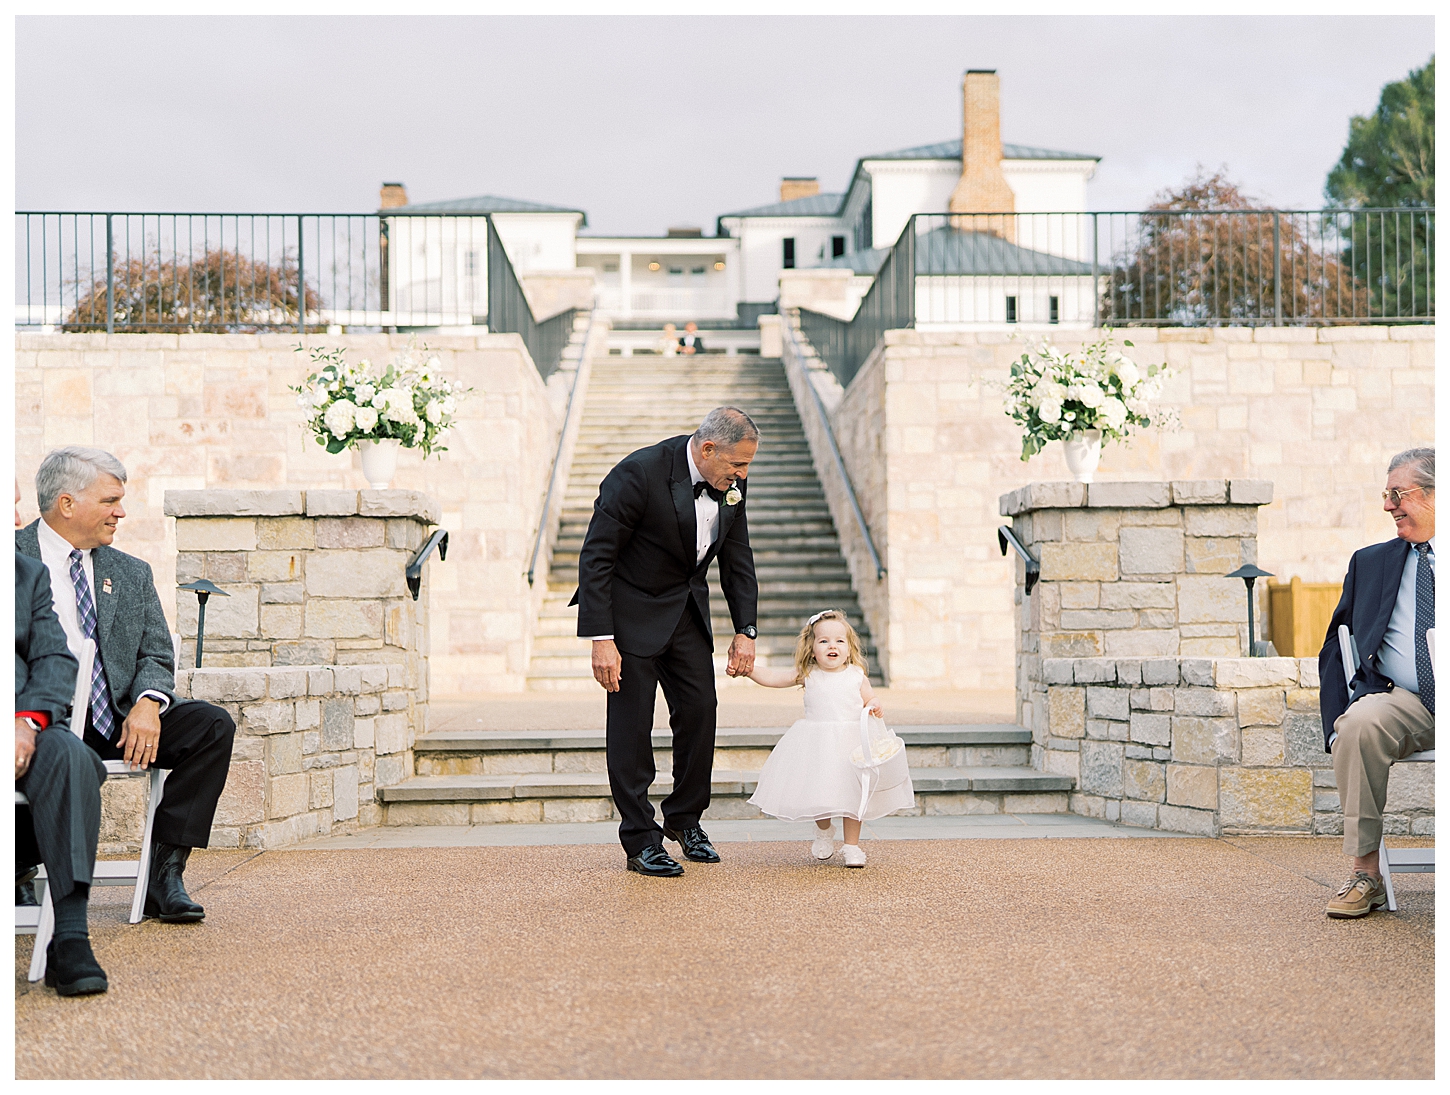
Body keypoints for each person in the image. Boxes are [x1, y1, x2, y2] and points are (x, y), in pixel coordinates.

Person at [17, 446, 235, 923]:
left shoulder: (131, 573)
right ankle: (16, 870)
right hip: (41, 720)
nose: (121, 512)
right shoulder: (13, 562)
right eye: (110, 500)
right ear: (67, 503)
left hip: (116, 718)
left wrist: (148, 702)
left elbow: (157, 653)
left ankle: (164, 875)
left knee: (212, 726)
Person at [572, 407, 760, 876]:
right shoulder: (638, 473)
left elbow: (737, 557)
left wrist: (745, 629)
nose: (742, 475)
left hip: (686, 615)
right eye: (737, 465)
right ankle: (640, 839)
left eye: (747, 467)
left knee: (700, 713)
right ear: (707, 448)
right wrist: (601, 637)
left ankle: (684, 819)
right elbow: (596, 556)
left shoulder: (729, 483)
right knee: (632, 728)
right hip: (629, 617)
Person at [1319, 447, 1435, 919]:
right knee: (1360, 725)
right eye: (1386, 495)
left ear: (1435, 495)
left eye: (1397, 494)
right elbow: (1334, 647)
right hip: (1406, 701)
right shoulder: (1370, 563)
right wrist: (1337, 722)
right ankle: (1366, 872)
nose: (1388, 506)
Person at [16, 482, 110, 995]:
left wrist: (27, 721)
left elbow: (55, 658)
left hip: (20, 724)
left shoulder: (24, 575)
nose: (16, 519)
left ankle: (70, 938)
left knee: (72, 756)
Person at [745, 610, 913, 867]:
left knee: (854, 796)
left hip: (851, 746)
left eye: (839, 641)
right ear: (812, 649)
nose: (832, 645)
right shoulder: (808, 673)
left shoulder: (856, 675)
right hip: (817, 745)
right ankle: (824, 832)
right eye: (823, 641)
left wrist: (876, 703)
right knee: (820, 792)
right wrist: (747, 669)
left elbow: (870, 698)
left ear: (849, 648)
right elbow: (774, 678)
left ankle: (852, 846)